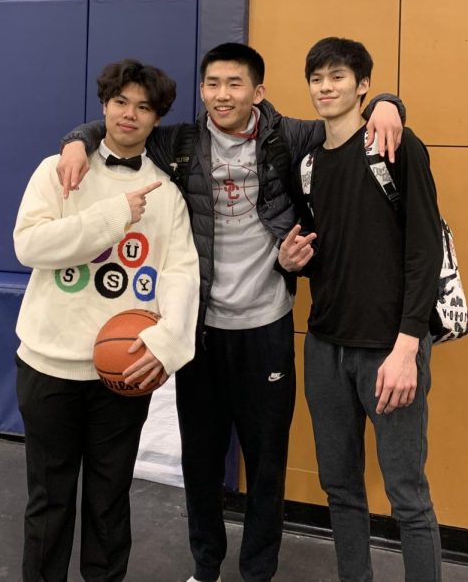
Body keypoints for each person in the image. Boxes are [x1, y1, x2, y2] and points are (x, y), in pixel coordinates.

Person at [56, 42, 405, 582]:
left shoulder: (289, 136)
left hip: (266, 326)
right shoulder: (180, 142)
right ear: (202, 90)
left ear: (257, 92)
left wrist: (387, 104)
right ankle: (207, 566)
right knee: (201, 460)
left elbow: (348, 117)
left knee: (267, 462)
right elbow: (119, 127)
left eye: (235, 84)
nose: (222, 94)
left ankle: (258, 571)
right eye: (212, 84)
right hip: (200, 329)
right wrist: (77, 141)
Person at [14, 59, 199, 582]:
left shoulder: (168, 192)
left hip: (121, 373)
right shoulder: (59, 170)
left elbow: (182, 272)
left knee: (110, 502)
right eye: (121, 102)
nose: (129, 114)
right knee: (48, 504)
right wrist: (112, 214)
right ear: (103, 106)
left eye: (144, 107)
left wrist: (169, 342)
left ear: (157, 119)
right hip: (48, 365)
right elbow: (30, 245)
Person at [279, 37, 442, 582]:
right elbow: (328, 247)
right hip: (325, 346)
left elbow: (424, 249)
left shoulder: (395, 146)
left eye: (338, 77)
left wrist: (407, 345)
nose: (326, 87)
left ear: (363, 86)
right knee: (341, 490)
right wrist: (292, 260)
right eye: (317, 78)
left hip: (390, 350)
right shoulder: (306, 164)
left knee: (407, 498)